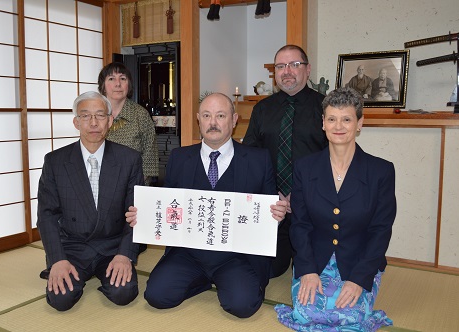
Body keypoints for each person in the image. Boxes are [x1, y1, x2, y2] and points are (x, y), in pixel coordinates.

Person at [126, 93, 287, 318]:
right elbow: (169, 209)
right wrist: (145, 217)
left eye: (221, 115)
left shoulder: (258, 159)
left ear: (234, 120)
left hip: (236, 256)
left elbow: (267, 214)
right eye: (207, 115)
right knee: (157, 296)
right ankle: (205, 280)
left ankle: (223, 281)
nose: (213, 122)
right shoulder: (179, 158)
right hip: (189, 253)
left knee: (242, 306)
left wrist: (276, 216)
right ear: (198, 120)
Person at [274, 87, 396, 331]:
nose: (338, 126)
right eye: (332, 119)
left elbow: (381, 230)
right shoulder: (305, 168)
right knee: (307, 313)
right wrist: (307, 270)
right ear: (323, 123)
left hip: (358, 261)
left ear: (359, 123)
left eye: (347, 119)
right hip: (315, 259)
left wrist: (359, 279)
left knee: (351, 317)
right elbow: (300, 224)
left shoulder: (381, 171)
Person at [37, 91, 144, 311]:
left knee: (123, 293)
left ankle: (107, 273)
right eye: (85, 116)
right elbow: (47, 216)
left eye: (100, 115)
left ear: (110, 120)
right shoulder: (55, 161)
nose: (93, 123)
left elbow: (136, 214)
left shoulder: (129, 159)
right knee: (61, 300)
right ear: (76, 122)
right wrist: (57, 259)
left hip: (112, 246)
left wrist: (125, 255)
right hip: (72, 247)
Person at [243, 44, 328, 278]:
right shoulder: (262, 109)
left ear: (308, 69)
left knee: (312, 272)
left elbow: (334, 158)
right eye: (280, 66)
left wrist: (300, 194)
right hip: (274, 208)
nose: (287, 71)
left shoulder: (326, 107)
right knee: (269, 270)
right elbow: (249, 157)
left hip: (313, 209)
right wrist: (273, 194)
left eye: (294, 64)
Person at [98, 62, 159, 186]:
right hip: (99, 183)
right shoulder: (95, 113)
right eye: (111, 78)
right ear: (103, 86)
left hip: (133, 184)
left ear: (129, 85)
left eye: (122, 78)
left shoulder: (140, 115)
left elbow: (150, 156)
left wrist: (139, 186)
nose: (118, 84)